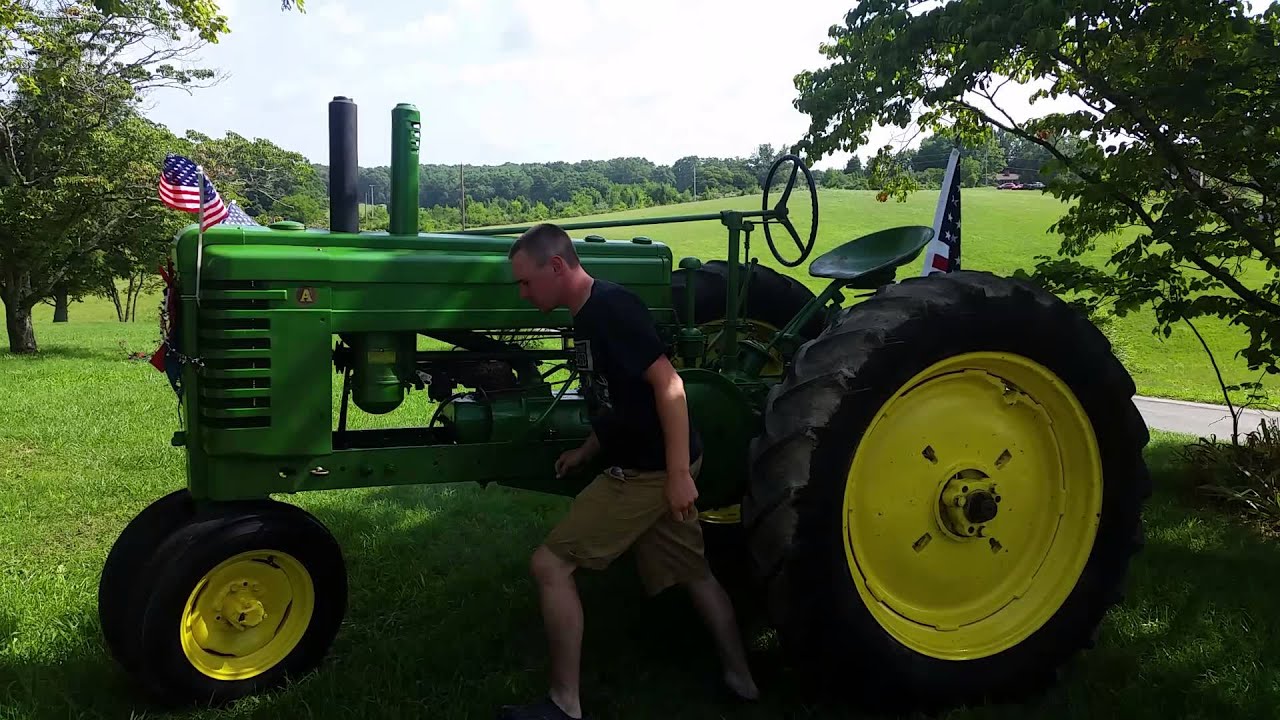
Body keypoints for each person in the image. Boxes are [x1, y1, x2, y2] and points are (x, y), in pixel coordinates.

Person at [500, 223, 760, 720]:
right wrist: (589, 447)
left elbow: (670, 386)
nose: (523, 293)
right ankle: (743, 678)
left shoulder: (611, 310)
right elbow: (621, 397)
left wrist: (678, 473)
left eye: (526, 282)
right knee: (694, 571)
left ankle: (564, 704)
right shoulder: (585, 316)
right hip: (651, 462)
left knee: (550, 566)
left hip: (649, 470)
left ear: (557, 266)